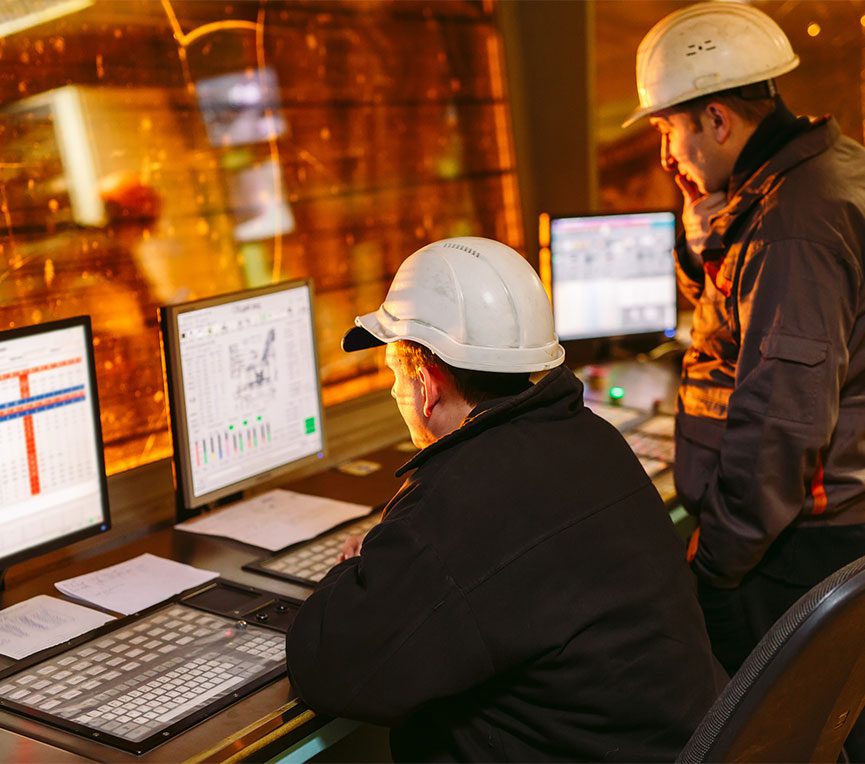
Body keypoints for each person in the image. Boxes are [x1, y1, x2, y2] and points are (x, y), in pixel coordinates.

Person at [286, 236, 725, 762]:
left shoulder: (458, 500)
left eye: (394, 376)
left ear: (426, 384)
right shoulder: (590, 438)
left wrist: (358, 567)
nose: (396, 393)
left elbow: (328, 664)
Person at [625, 1, 865, 678]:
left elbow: (782, 417)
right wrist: (707, 238)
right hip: (809, 529)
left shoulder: (791, 223)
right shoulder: (810, 176)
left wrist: (716, 560)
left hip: (793, 546)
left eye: (668, 131)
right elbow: (740, 331)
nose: (666, 153)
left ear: (717, 119)